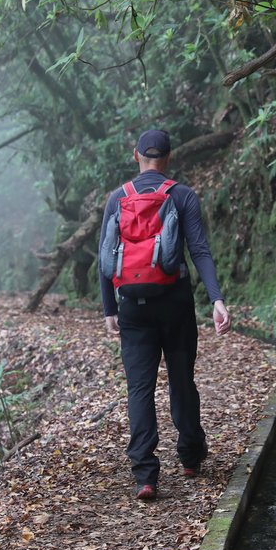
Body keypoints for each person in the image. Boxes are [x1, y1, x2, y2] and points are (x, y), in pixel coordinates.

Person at [98, 128, 231, 500]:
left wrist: (110, 308)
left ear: (134, 155)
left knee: (139, 388)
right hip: (175, 303)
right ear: (170, 158)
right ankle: (190, 456)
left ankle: (145, 474)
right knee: (181, 379)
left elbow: (104, 258)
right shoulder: (182, 195)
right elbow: (199, 251)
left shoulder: (117, 199)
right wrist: (216, 299)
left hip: (132, 308)